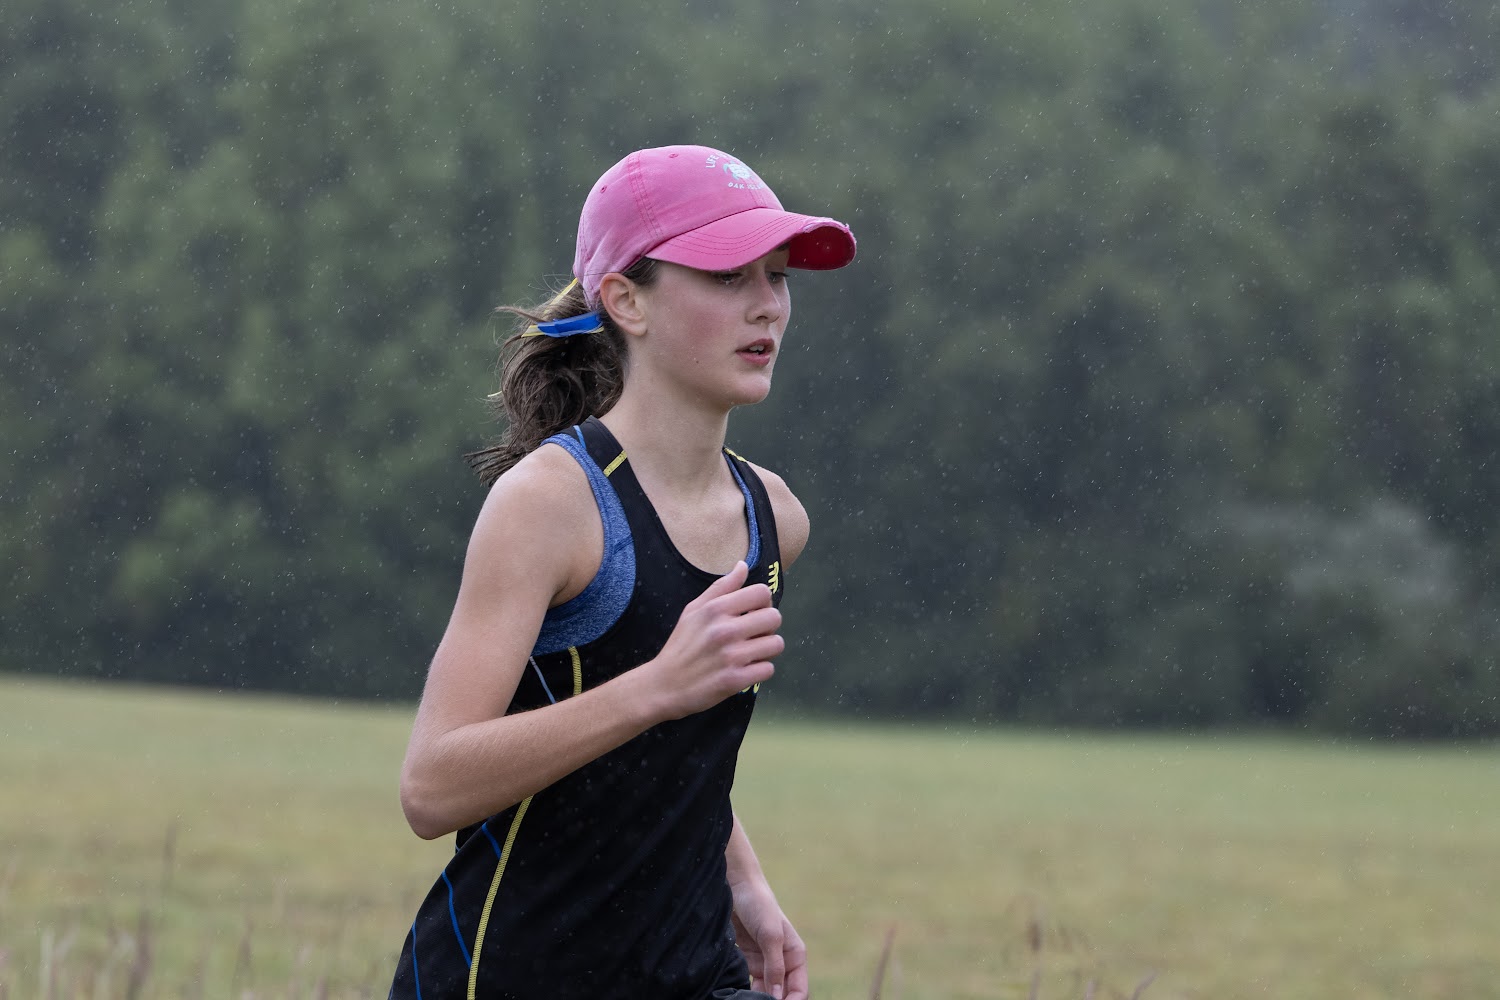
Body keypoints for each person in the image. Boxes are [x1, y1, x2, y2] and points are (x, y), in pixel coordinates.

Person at [387, 144, 856, 1000]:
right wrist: (657, 686)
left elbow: (670, 761)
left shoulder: (773, 520)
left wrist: (744, 879)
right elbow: (432, 786)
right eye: (727, 277)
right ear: (626, 301)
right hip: (512, 976)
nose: (767, 305)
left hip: (696, 973)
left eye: (778, 276)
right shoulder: (549, 505)